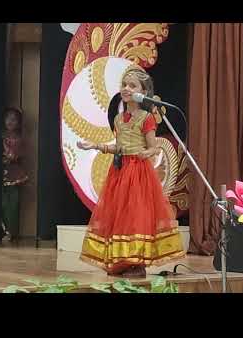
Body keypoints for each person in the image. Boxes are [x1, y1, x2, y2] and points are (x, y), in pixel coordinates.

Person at [77, 68, 184, 277]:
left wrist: (148, 153)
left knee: (136, 214)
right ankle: (122, 260)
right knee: (120, 215)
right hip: (120, 171)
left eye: (132, 85)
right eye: (124, 84)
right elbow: (119, 147)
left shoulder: (146, 118)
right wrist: (96, 146)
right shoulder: (119, 119)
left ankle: (137, 262)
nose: (126, 88)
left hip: (138, 172)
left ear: (143, 92)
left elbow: (154, 146)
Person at [2, 108, 28, 241]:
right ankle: (3, 230)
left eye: (14, 119)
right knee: (3, 203)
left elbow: (14, 155)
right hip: (2, 172)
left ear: (18, 123)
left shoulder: (19, 139)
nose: (10, 121)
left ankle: (11, 232)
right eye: (8, 118)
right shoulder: (1, 135)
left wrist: (9, 155)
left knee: (13, 203)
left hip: (14, 173)